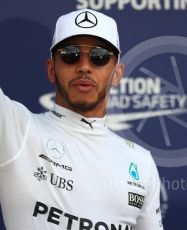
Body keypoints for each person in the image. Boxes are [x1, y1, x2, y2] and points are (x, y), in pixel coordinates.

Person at [0, 9, 164, 230]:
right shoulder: (15, 128)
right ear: (51, 69)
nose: (84, 66)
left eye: (100, 56)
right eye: (70, 54)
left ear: (116, 74)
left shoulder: (142, 163)